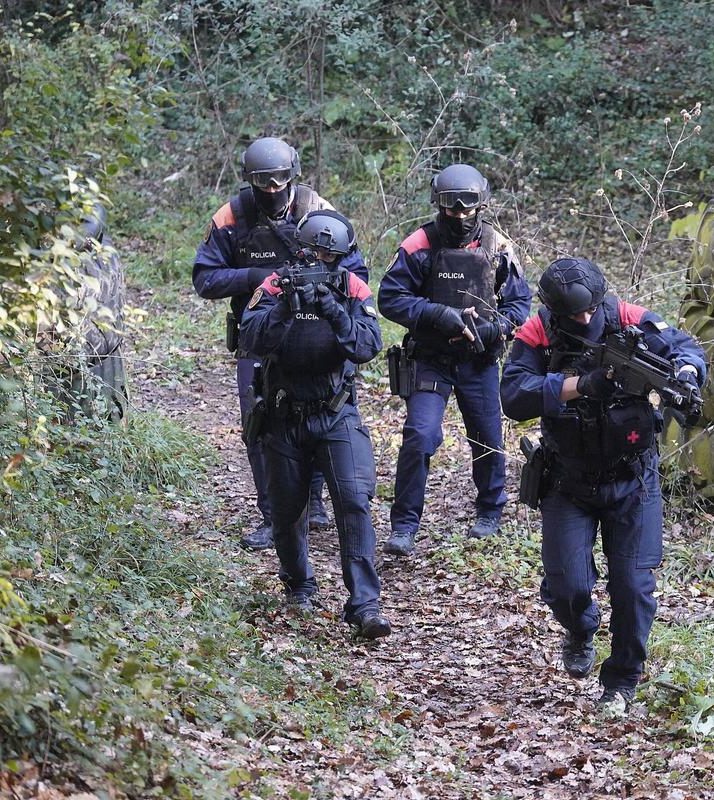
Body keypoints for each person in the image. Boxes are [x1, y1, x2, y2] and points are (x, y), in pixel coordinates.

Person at [500, 257, 706, 706]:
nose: (586, 318)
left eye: (591, 309)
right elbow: (513, 395)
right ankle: (580, 628)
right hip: (568, 480)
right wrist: (580, 385)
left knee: (633, 587)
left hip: (632, 478)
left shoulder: (629, 318)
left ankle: (621, 682)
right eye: (576, 314)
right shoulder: (537, 333)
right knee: (567, 587)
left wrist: (687, 373)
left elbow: (684, 347)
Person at [193, 136, 366, 549]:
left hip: (321, 332)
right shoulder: (232, 216)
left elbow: (356, 272)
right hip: (260, 334)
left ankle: (315, 503)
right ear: (249, 179)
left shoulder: (317, 209)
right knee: (260, 423)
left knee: (326, 411)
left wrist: (323, 291)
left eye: (279, 181)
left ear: (293, 176)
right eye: (262, 182)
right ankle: (274, 516)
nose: (272, 189)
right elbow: (205, 278)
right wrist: (259, 279)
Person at [238, 210, 391, 638]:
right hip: (284, 415)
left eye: (328, 257)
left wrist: (333, 310)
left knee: (354, 500)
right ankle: (300, 586)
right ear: (300, 250)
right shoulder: (275, 284)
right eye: (312, 253)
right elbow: (249, 338)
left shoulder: (352, 288)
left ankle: (365, 604)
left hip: (335, 412)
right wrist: (285, 308)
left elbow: (368, 346)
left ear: (340, 258)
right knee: (287, 512)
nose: (319, 262)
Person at [378, 163, 531, 555]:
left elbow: (519, 304)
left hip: (478, 360)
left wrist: (496, 329)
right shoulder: (419, 244)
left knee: (487, 437)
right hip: (430, 359)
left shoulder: (498, 246)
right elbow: (390, 298)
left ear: (481, 205)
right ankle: (404, 525)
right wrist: (437, 314)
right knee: (420, 435)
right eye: (451, 208)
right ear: (439, 205)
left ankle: (490, 510)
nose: (460, 216)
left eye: (468, 208)